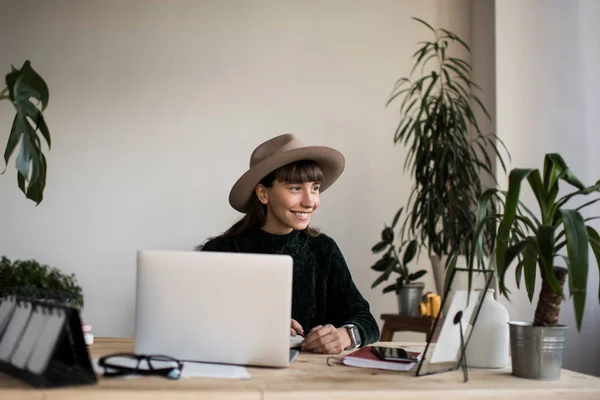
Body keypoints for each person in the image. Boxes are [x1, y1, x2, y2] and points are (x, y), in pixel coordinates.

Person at [200, 133, 379, 354]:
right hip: (239, 376)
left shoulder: (323, 249)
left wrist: (344, 336)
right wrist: (256, 326)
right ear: (263, 193)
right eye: (295, 188)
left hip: (311, 380)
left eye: (314, 188)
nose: (309, 201)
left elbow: (366, 320)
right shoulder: (219, 252)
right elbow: (197, 325)